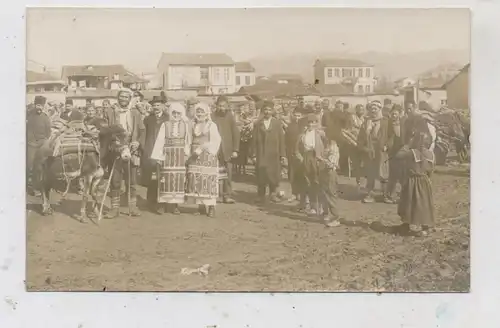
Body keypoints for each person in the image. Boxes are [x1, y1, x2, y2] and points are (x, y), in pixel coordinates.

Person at [104, 88, 143, 218]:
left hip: (132, 149)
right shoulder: (110, 111)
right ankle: (114, 209)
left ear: (130, 99)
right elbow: (104, 130)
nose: (123, 99)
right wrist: (114, 144)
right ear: (118, 98)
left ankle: (132, 207)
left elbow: (142, 130)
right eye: (121, 97)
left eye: (126, 97)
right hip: (115, 150)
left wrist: (137, 142)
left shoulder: (135, 113)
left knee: (131, 181)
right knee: (115, 181)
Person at [150, 102, 191, 215]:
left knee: (178, 180)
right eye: (174, 113)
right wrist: (158, 156)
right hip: (167, 155)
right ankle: (162, 205)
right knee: (165, 180)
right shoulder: (165, 124)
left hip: (179, 156)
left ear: (182, 114)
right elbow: (160, 141)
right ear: (171, 113)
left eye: (179, 113)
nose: (176, 115)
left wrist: (187, 154)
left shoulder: (185, 125)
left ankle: (174, 206)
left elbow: (187, 141)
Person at [396, 131, 435, 236]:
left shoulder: (412, 152)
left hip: (413, 181)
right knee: (424, 204)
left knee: (410, 203)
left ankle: (414, 226)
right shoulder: (431, 154)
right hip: (425, 181)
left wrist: (408, 144)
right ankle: (423, 226)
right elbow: (431, 170)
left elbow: (398, 155)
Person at [185, 102, 221, 217]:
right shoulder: (192, 125)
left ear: (206, 113)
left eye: (202, 111)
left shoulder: (211, 125)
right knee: (197, 181)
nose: (199, 114)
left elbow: (216, 140)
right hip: (195, 156)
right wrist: (188, 153)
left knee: (208, 181)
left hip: (207, 155)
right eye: (198, 111)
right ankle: (200, 206)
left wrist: (202, 148)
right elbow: (188, 139)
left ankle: (211, 207)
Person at [250, 100, 286, 204]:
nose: (267, 112)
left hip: (273, 153)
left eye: (269, 110)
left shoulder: (277, 123)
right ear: (262, 111)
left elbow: (281, 140)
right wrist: (254, 154)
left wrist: (282, 154)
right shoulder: (258, 124)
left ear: (272, 111)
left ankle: (273, 194)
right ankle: (261, 195)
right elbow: (254, 140)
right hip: (261, 153)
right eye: (265, 109)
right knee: (261, 174)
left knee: (273, 174)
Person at [357, 100, 389, 203]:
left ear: (380, 109)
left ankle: (385, 195)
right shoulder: (366, 122)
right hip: (370, 150)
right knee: (370, 173)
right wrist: (363, 148)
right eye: (372, 109)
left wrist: (387, 146)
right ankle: (369, 194)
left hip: (382, 150)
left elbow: (391, 136)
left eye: (375, 109)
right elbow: (361, 137)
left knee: (383, 172)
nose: (373, 111)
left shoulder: (385, 122)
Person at [295, 113, 327, 215]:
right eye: (309, 122)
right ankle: (312, 206)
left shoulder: (320, 134)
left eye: (313, 122)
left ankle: (321, 207)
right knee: (308, 182)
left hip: (317, 158)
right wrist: (301, 158)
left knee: (318, 183)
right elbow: (296, 150)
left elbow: (327, 147)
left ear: (316, 123)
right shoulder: (302, 135)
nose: (311, 124)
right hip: (306, 158)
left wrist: (323, 158)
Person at [211, 96, 239, 204]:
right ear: (216, 106)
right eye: (219, 106)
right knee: (215, 173)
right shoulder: (212, 116)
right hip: (215, 149)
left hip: (227, 149)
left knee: (228, 173)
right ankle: (216, 195)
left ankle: (227, 195)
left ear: (227, 106)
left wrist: (235, 149)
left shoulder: (230, 117)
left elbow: (236, 133)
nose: (221, 108)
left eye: (223, 106)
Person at [141, 96, 170, 204]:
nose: (156, 107)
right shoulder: (148, 119)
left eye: (158, 105)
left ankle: (164, 201)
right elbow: (144, 134)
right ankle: (151, 200)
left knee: (164, 176)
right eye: (154, 105)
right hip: (151, 150)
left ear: (162, 106)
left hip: (164, 150)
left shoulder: (168, 118)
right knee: (153, 176)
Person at [26, 96, 51, 195]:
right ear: (35, 105)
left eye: (41, 105)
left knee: (40, 167)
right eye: (37, 105)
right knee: (30, 166)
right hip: (31, 144)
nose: (39, 107)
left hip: (42, 145)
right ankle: (29, 186)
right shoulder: (29, 116)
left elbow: (48, 132)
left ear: (44, 106)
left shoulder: (45, 117)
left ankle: (38, 187)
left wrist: (44, 142)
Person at [384, 106, 405, 204]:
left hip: (402, 151)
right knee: (392, 175)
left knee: (402, 174)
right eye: (392, 114)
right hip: (391, 151)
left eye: (396, 114)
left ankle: (402, 194)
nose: (394, 115)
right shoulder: (387, 124)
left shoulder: (403, 124)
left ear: (399, 114)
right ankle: (389, 195)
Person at [285, 107, 304, 202]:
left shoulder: (304, 127)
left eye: (299, 116)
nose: (297, 118)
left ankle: (301, 193)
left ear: (302, 116)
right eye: (295, 115)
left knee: (301, 174)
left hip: (302, 154)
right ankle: (294, 193)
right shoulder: (290, 126)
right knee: (292, 174)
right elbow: (286, 140)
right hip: (291, 153)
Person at [346, 104, 365, 188]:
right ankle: (358, 180)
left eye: (362, 109)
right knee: (356, 162)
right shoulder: (352, 118)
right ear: (356, 110)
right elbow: (350, 129)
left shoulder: (365, 118)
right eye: (359, 109)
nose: (361, 111)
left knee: (363, 162)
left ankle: (362, 180)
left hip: (363, 143)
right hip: (354, 142)